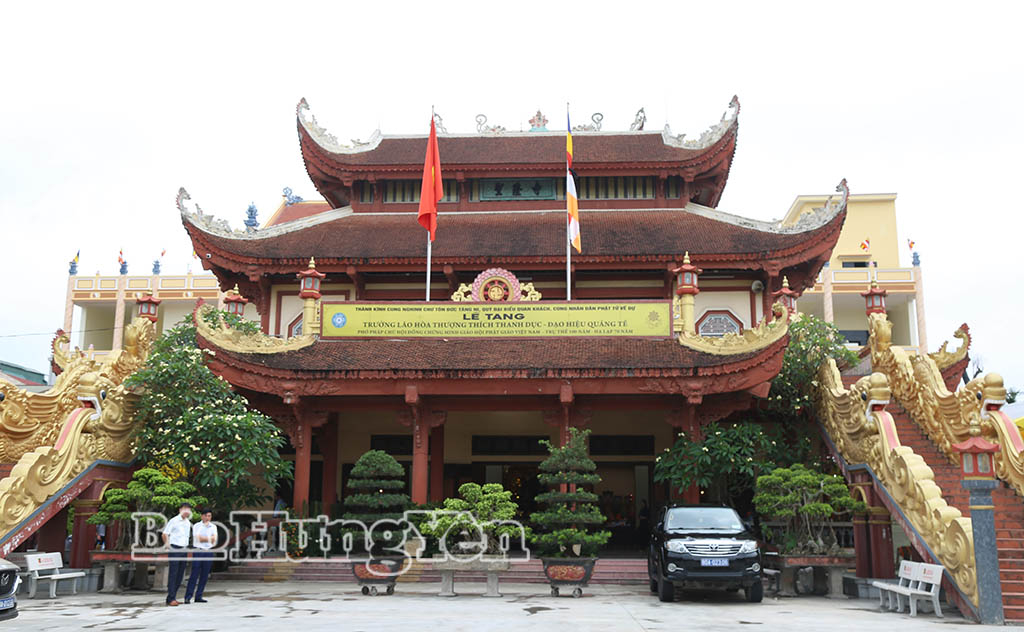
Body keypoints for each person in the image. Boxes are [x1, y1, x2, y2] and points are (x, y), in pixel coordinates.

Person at [162, 502, 192, 606]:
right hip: (175, 548)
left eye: (188, 509)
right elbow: (165, 534)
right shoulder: (174, 521)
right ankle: (171, 598)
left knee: (180, 574)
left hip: (184, 549)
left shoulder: (188, 523)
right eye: (184, 509)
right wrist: (168, 545)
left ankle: (172, 597)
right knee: (173, 574)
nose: (186, 511)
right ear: (180, 510)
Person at [184, 508, 217, 604]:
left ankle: (199, 596)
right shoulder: (197, 526)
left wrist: (206, 538)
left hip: (208, 552)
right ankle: (188, 596)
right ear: (202, 516)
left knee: (205, 575)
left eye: (209, 516)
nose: (208, 518)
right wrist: (209, 538)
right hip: (198, 551)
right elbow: (198, 539)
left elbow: (214, 540)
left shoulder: (213, 527)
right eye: (206, 516)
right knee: (194, 574)